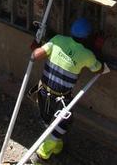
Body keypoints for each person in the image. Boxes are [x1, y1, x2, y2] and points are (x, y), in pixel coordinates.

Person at [29, 18, 109, 160]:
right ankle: (42, 155)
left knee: (50, 121)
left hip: (42, 91)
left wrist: (38, 41)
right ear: (88, 37)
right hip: (61, 98)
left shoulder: (57, 39)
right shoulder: (87, 54)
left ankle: (56, 146)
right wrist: (97, 49)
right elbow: (100, 69)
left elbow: (34, 55)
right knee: (64, 121)